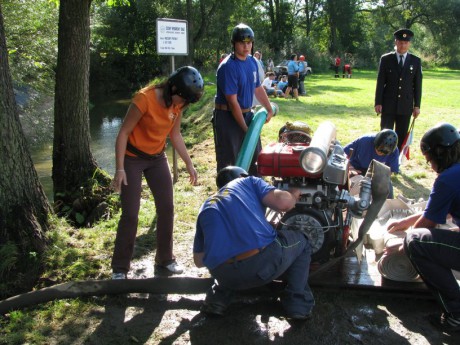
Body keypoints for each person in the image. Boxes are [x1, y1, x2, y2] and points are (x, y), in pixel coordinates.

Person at [110, 66, 204, 279]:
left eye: (186, 102)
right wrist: (120, 169)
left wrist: (188, 164)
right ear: (172, 88)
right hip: (132, 158)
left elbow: (176, 135)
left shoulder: (178, 104)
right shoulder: (144, 99)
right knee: (131, 214)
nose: (182, 105)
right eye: (182, 100)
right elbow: (123, 132)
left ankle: (164, 258)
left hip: (157, 158)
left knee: (167, 208)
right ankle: (120, 268)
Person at [193, 166, 315, 320]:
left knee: (227, 253)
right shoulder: (248, 181)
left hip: (224, 276)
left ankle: (217, 300)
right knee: (302, 241)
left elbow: (199, 261)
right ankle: (298, 305)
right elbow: (284, 203)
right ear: (242, 175)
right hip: (261, 269)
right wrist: (294, 193)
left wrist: (231, 242)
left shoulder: (206, 206)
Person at [386, 123, 460, 332]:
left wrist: (400, 247)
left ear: (439, 154)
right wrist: (402, 223)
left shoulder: (448, 179)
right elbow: (439, 211)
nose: (430, 166)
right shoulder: (456, 172)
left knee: (416, 241)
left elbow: (428, 223)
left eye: (429, 161)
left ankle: (456, 313)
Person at [213, 23, 274, 176]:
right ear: (234, 44)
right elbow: (232, 102)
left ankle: (254, 193)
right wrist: (246, 130)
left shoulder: (252, 62)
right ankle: (229, 196)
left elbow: (257, 87)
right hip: (227, 119)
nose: (246, 46)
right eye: (242, 43)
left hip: (247, 115)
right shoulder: (228, 66)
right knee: (230, 162)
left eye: (249, 42)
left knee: (255, 158)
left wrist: (268, 108)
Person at [374, 28, 422, 153]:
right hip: (388, 103)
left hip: (405, 105)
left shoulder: (415, 61)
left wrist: (417, 106)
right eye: (400, 42)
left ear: (409, 44)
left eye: (405, 43)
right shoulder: (386, 59)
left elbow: (417, 85)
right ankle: (383, 158)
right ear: (396, 42)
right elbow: (380, 82)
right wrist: (378, 102)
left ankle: (397, 161)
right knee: (385, 134)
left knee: (401, 134)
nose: (403, 45)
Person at [344, 129, 399, 198]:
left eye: (383, 153)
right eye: (378, 150)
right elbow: (343, 154)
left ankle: (386, 207)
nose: (380, 153)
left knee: (386, 188)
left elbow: (390, 171)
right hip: (357, 169)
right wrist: (350, 168)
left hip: (376, 172)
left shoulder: (394, 151)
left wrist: (380, 179)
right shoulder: (364, 141)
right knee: (360, 185)